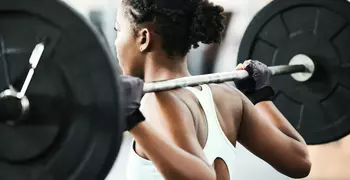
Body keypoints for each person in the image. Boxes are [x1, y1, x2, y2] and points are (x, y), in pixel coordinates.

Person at [116, 0, 311, 179]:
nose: (116, 43)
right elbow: (299, 160)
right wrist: (261, 96)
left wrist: (134, 122)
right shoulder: (228, 96)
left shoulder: (158, 101)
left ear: (143, 38)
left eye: (118, 31)